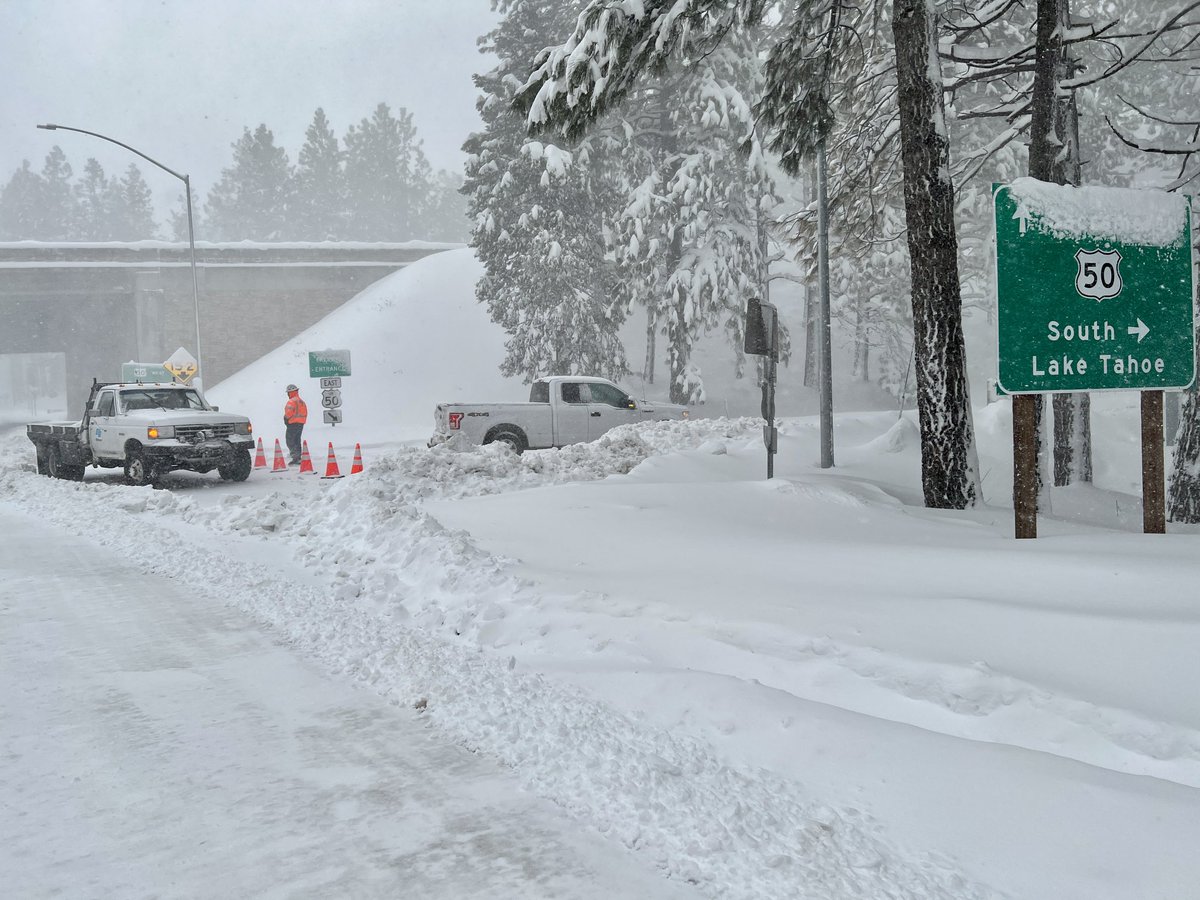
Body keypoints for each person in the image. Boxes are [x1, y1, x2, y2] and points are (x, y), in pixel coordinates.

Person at [283, 383, 308, 465]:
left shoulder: (291, 401)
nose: (287, 394)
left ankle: (295, 458)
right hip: (300, 424)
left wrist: (286, 419)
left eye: (288, 392)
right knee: (297, 440)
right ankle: (298, 457)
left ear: (290, 392)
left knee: (290, 441)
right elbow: (305, 413)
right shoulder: (301, 402)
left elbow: (289, 412)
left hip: (292, 424)